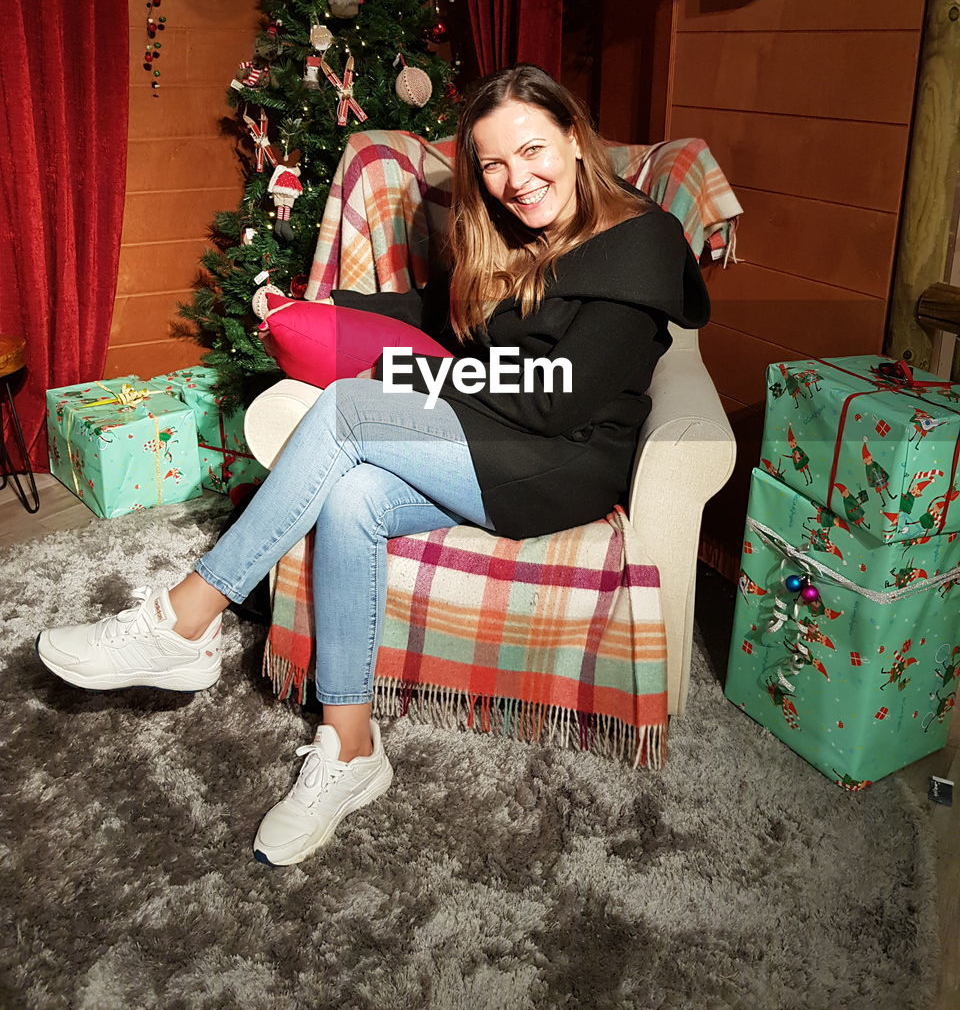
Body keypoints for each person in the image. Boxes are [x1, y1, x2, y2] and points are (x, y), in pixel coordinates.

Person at [36, 63, 710, 867]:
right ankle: (351, 746)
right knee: (352, 496)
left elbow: (556, 402)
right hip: (501, 440)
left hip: (568, 459)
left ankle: (186, 617)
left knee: (352, 407)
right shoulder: (511, 231)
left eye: (533, 151)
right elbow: (441, 316)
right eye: (492, 164)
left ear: (574, 138)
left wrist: (402, 379)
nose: (515, 180)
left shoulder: (642, 238)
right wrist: (321, 309)